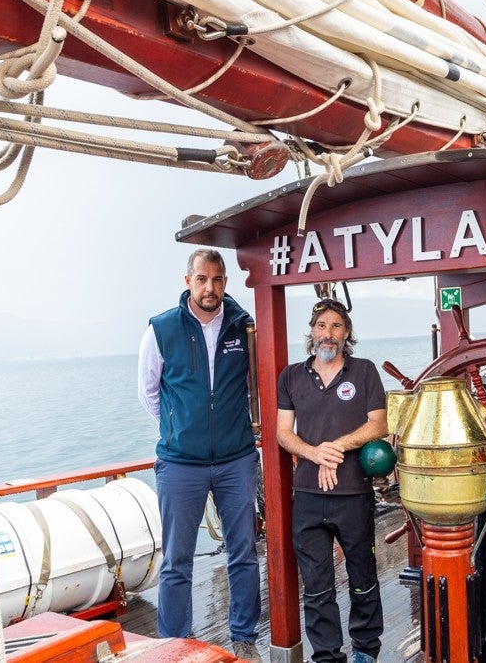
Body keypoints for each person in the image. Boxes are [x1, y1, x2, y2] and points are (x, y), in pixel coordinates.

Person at [138, 248, 261, 661]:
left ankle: (244, 637)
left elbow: (254, 387)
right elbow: (149, 393)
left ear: (226, 283)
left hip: (236, 458)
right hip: (179, 464)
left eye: (219, 280)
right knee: (176, 560)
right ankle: (174, 643)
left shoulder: (244, 328)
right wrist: (180, 431)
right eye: (202, 279)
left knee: (243, 552)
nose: (211, 288)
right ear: (187, 281)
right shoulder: (161, 329)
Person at [275, 299, 388, 663]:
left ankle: (366, 651)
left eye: (337, 326)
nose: (329, 333)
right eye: (322, 325)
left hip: (353, 492)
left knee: (362, 576)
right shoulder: (291, 376)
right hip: (307, 494)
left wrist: (332, 449)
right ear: (312, 331)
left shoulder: (364, 371)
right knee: (317, 584)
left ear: (347, 333)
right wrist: (312, 454)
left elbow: (378, 424)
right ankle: (326, 656)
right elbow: (282, 432)